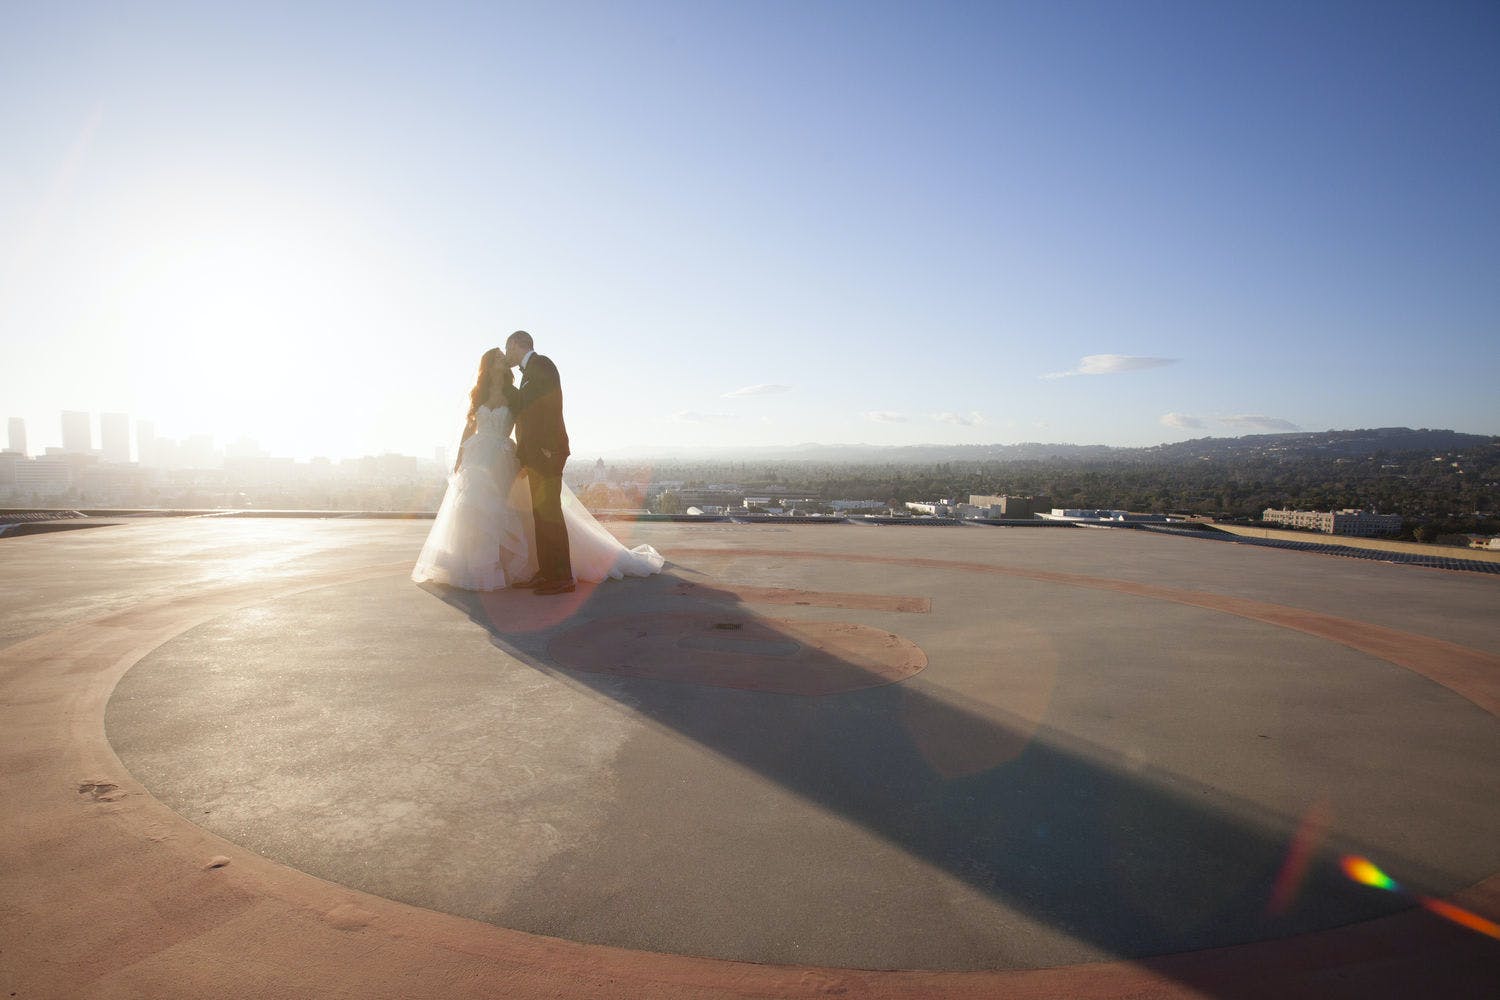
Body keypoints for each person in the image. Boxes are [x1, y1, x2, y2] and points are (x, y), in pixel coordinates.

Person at [411, 340, 663, 593]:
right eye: (499, 357)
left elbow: (532, 419)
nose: (504, 358)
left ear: (515, 347)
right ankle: (479, 567)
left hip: (506, 458)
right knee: (475, 509)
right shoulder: (481, 392)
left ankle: (555, 574)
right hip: (477, 459)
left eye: (506, 353)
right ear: (488, 365)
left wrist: (537, 451)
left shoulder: (519, 388)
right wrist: (460, 456)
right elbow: (470, 426)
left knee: (529, 514)